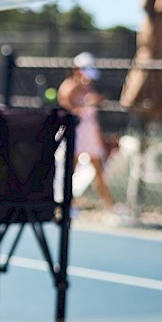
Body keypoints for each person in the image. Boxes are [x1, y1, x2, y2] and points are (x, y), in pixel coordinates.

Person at [58, 52, 122, 216]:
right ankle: (66, 204)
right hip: (75, 134)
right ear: (76, 69)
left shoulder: (88, 88)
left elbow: (93, 118)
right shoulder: (68, 87)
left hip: (89, 135)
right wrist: (86, 102)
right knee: (69, 171)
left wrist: (99, 139)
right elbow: (67, 110)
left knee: (99, 172)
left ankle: (111, 208)